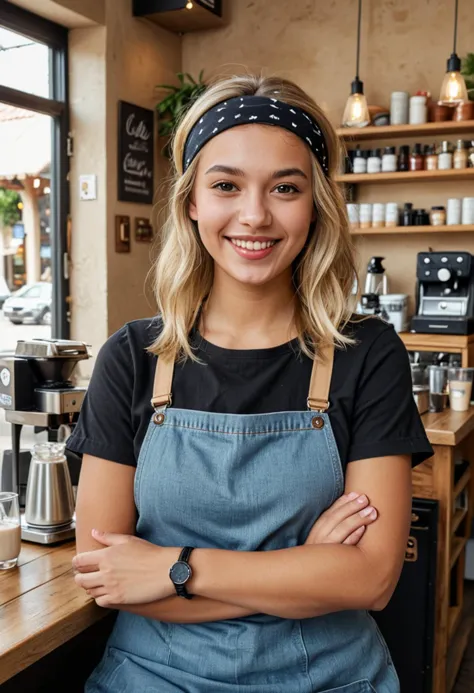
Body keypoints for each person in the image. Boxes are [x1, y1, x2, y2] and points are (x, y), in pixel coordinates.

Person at [69, 74, 433, 692]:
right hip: (154, 678)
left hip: (331, 677)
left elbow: (370, 581)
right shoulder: (132, 357)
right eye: (226, 185)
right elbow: (110, 576)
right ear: (192, 201)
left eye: (285, 188)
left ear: (315, 203)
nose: (255, 214)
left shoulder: (367, 353)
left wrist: (175, 568)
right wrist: (305, 572)